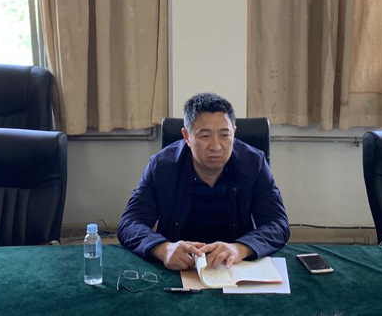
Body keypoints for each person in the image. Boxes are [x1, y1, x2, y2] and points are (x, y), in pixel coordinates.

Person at [118, 92, 290, 271]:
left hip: (233, 266)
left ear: (234, 132)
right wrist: (163, 248)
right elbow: (130, 223)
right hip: (180, 266)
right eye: (205, 136)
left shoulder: (253, 163)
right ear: (187, 136)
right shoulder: (162, 166)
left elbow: (277, 224)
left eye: (225, 135)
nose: (216, 146)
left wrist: (240, 248)